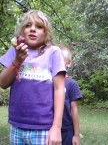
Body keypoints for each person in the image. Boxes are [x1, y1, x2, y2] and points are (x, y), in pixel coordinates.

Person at [0, 10, 66, 145]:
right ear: (22, 31)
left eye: (39, 26)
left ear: (46, 32)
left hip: (44, 128)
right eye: (28, 25)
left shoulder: (53, 52)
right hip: (17, 125)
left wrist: (56, 127)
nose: (33, 29)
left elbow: (60, 90)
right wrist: (17, 61)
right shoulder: (15, 51)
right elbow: (3, 83)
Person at [59, 45, 82, 145]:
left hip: (67, 130)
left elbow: (74, 109)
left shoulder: (72, 84)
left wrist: (76, 135)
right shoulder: (48, 82)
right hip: (49, 129)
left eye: (60, 60)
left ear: (68, 63)